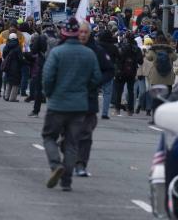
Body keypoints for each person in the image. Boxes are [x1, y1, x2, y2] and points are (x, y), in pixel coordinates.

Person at [41, 18, 102, 192]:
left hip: (58, 104)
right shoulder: (88, 54)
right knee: (72, 143)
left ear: (64, 33)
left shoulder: (57, 52)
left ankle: (55, 165)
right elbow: (97, 78)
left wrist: (50, 93)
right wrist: (84, 89)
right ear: (77, 33)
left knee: (49, 136)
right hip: (80, 106)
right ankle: (66, 180)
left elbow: (47, 77)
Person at [74, 21, 113, 177]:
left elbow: (110, 70)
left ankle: (81, 164)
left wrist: (96, 81)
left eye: (85, 32)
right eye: (80, 32)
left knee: (85, 133)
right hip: (69, 98)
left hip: (88, 99)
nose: (83, 35)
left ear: (89, 33)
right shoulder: (69, 48)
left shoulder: (97, 50)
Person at [113, 31, 142, 116]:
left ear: (126, 38)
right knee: (131, 91)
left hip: (121, 71)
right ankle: (130, 110)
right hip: (132, 71)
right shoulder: (137, 49)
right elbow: (141, 61)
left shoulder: (122, 47)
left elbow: (118, 58)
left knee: (119, 91)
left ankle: (117, 109)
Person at [1, 32, 25, 102]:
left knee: (9, 81)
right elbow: (20, 58)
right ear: (16, 38)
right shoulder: (18, 47)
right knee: (16, 83)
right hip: (16, 66)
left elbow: (4, 55)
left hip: (8, 66)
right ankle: (12, 98)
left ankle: (7, 96)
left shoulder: (7, 46)